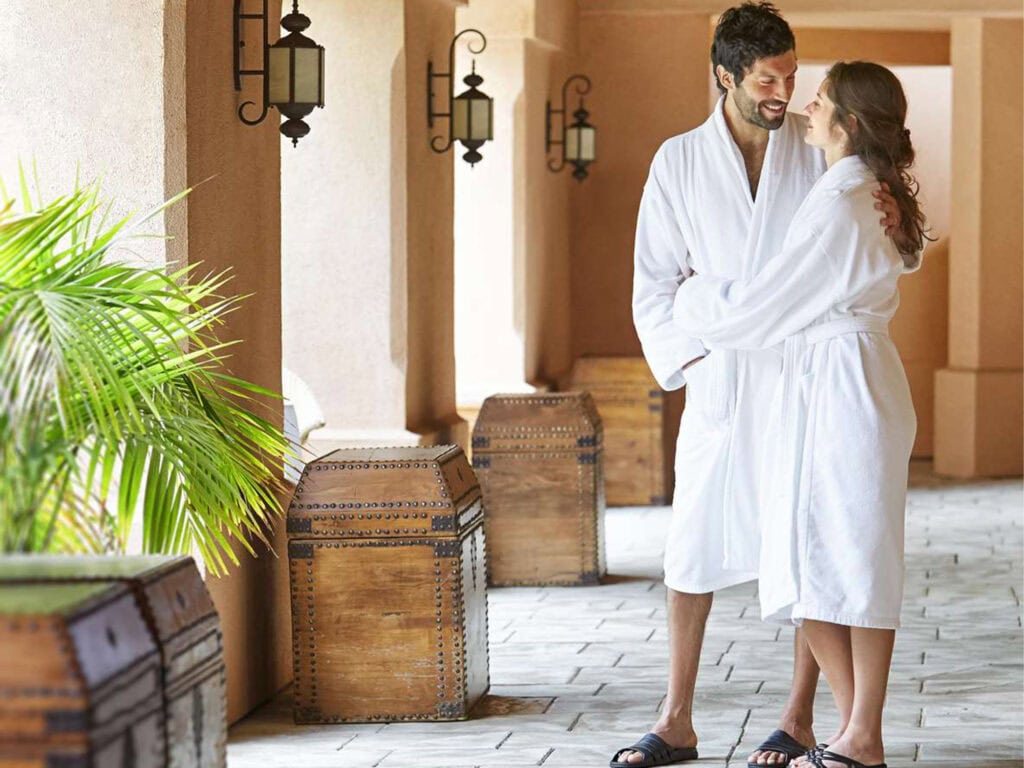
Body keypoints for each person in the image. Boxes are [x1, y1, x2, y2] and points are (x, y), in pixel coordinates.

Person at [617, 4, 902, 768]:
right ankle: (675, 718)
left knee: (807, 551)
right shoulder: (678, 161)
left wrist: (708, 305)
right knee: (693, 546)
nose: (785, 91)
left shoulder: (820, 156)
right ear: (726, 75)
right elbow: (654, 282)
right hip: (719, 378)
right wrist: (698, 361)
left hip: (806, 380)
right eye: (770, 78)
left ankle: (802, 717)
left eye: (794, 75)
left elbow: (855, 245)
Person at [673, 61, 923, 768]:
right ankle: (857, 735)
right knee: (851, 560)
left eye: (822, 100)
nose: (808, 107)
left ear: (847, 122)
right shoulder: (871, 195)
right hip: (858, 379)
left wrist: (694, 297)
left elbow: (763, 305)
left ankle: (861, 734)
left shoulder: (845, 200)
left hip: (837, 387)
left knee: (816, 560)